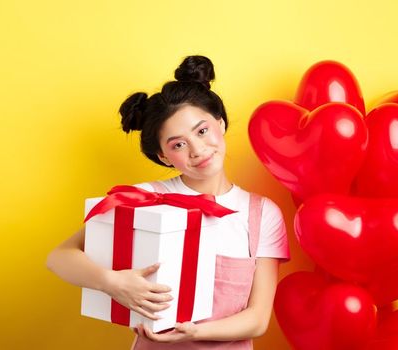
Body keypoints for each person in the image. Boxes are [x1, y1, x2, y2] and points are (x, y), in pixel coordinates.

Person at [46, 55, 290, 349]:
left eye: (202, 131)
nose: (197, 150)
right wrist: (113, 283)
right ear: (163, 156)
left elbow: (258, 319)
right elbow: (59, 257)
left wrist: (194, 333)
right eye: (178, 144)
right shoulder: (145, 198)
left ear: (220, 123)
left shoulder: (262, 214)